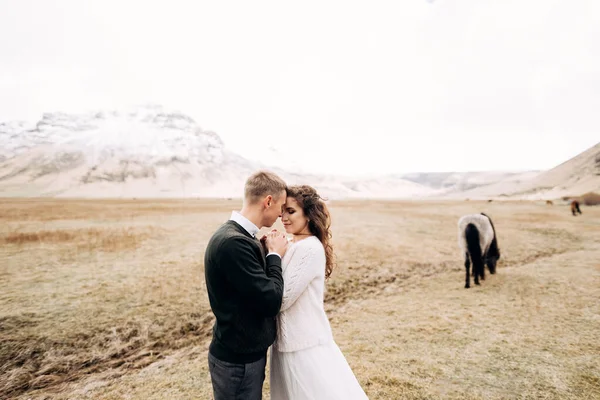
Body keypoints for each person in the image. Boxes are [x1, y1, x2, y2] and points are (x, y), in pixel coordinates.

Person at [270, 185, 368, 399]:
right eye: (283, 211)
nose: (283, 217)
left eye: (291, 211)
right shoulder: (293, 243)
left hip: (304, 344)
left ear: (309, 215)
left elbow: (282, 299)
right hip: (287, 342)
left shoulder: (309, 249)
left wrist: (274, 256)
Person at [204, 170, 289, 400]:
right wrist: (274, 256)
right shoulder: (234, 243)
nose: (282, 216)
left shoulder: (241, 237)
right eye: (281, 207)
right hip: (237, 363)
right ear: (268, 201)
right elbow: (270, 301)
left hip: (241, 356)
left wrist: (261, 250)